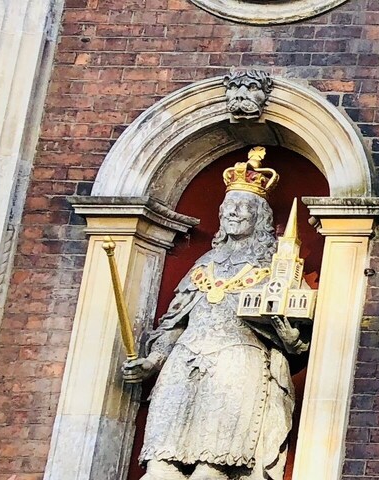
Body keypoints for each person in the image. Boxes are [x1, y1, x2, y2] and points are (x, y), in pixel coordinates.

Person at [122, 148, 306, 480]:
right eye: (228, 207)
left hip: (236, 369)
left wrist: (293, 340)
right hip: (183, 365)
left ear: (259, 217)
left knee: (212, 472)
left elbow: (296, 335)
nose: (233, 213)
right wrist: (153, 360)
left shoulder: (274, 268)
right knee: (158, 470)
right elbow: (174, 324)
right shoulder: (202, 264)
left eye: (243, 207)